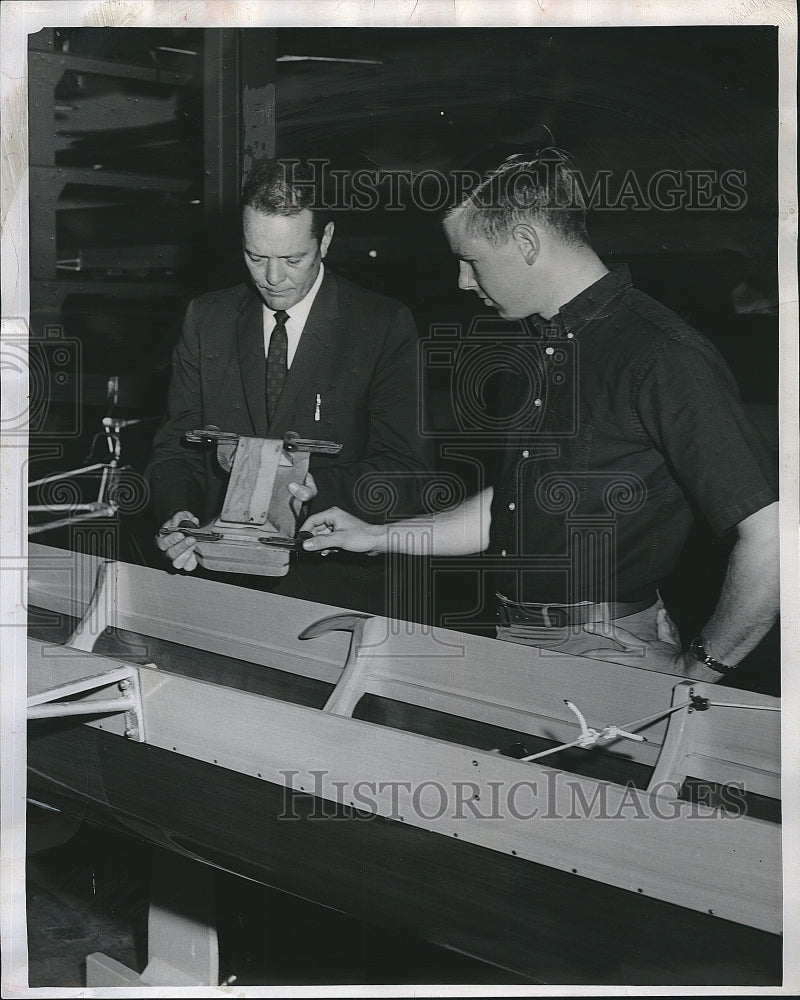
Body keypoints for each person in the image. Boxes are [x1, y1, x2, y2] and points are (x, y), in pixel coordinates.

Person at [297, 150, 779, 682]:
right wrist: (378, 535)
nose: (461, 280)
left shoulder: (663, 356)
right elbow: (508, 509)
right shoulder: (540, 346)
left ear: (526, 243)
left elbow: (773, 538)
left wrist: (698, 672)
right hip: (514, 634)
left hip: (606, 649)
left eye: (470, 259)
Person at [147, 158, 432, 614]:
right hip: (216, 582)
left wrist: (309, 484)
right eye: (255, 257)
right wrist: (178, 516)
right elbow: (176, 447)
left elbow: (409, 471)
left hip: (332, 593)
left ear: (327, 240)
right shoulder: (206, 318)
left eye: (292, 259)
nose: (272, 278)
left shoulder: (382, 325)